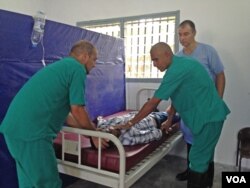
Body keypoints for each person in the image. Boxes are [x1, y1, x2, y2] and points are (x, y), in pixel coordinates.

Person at [115, 42, 230, 188]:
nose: (154, 64)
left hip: (208, 118)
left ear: (167, 54)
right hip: (207, 116)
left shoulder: (176, 70)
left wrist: (130, 122)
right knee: (205, 155)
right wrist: (169, 119)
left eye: (156, 59)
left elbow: (152, 104)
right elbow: (178, 96)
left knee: (197, 159)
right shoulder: (182, 65)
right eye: (152, 61)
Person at [0, 40, 109, 188]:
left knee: (29, 183)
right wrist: (94, 135)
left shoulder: (59, 68)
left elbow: (69, 118)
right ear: (84, 56)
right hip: (33, 134)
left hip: (13, 131)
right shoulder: (77, 68)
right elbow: (77, 109)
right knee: (49, 184)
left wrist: (90, 130)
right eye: (94, 59)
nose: (95, 64)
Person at [174, 20, 226, 185]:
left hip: (207, 108)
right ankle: (191, 171)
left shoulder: (207, 51)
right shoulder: (178, 57)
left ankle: (207, 178)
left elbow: (220, 75)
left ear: (194, 33)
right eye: (180, 35)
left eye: (186, 34)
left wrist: (217, 101)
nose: (182, 38)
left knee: (206, 145)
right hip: (190, 110)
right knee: (190, 141)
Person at [96, 111, 180, 146]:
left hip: (140, 114)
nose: (110, 128)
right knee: (178, 116)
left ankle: (155, 109)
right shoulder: (128, 139)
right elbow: (149, 136)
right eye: (109, 130)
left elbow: (100, 121)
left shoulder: (104, 126)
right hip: (156, 120)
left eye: (106, 129)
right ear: (109, 139)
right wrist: (163, 131)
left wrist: (99, 120)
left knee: (168, 111)